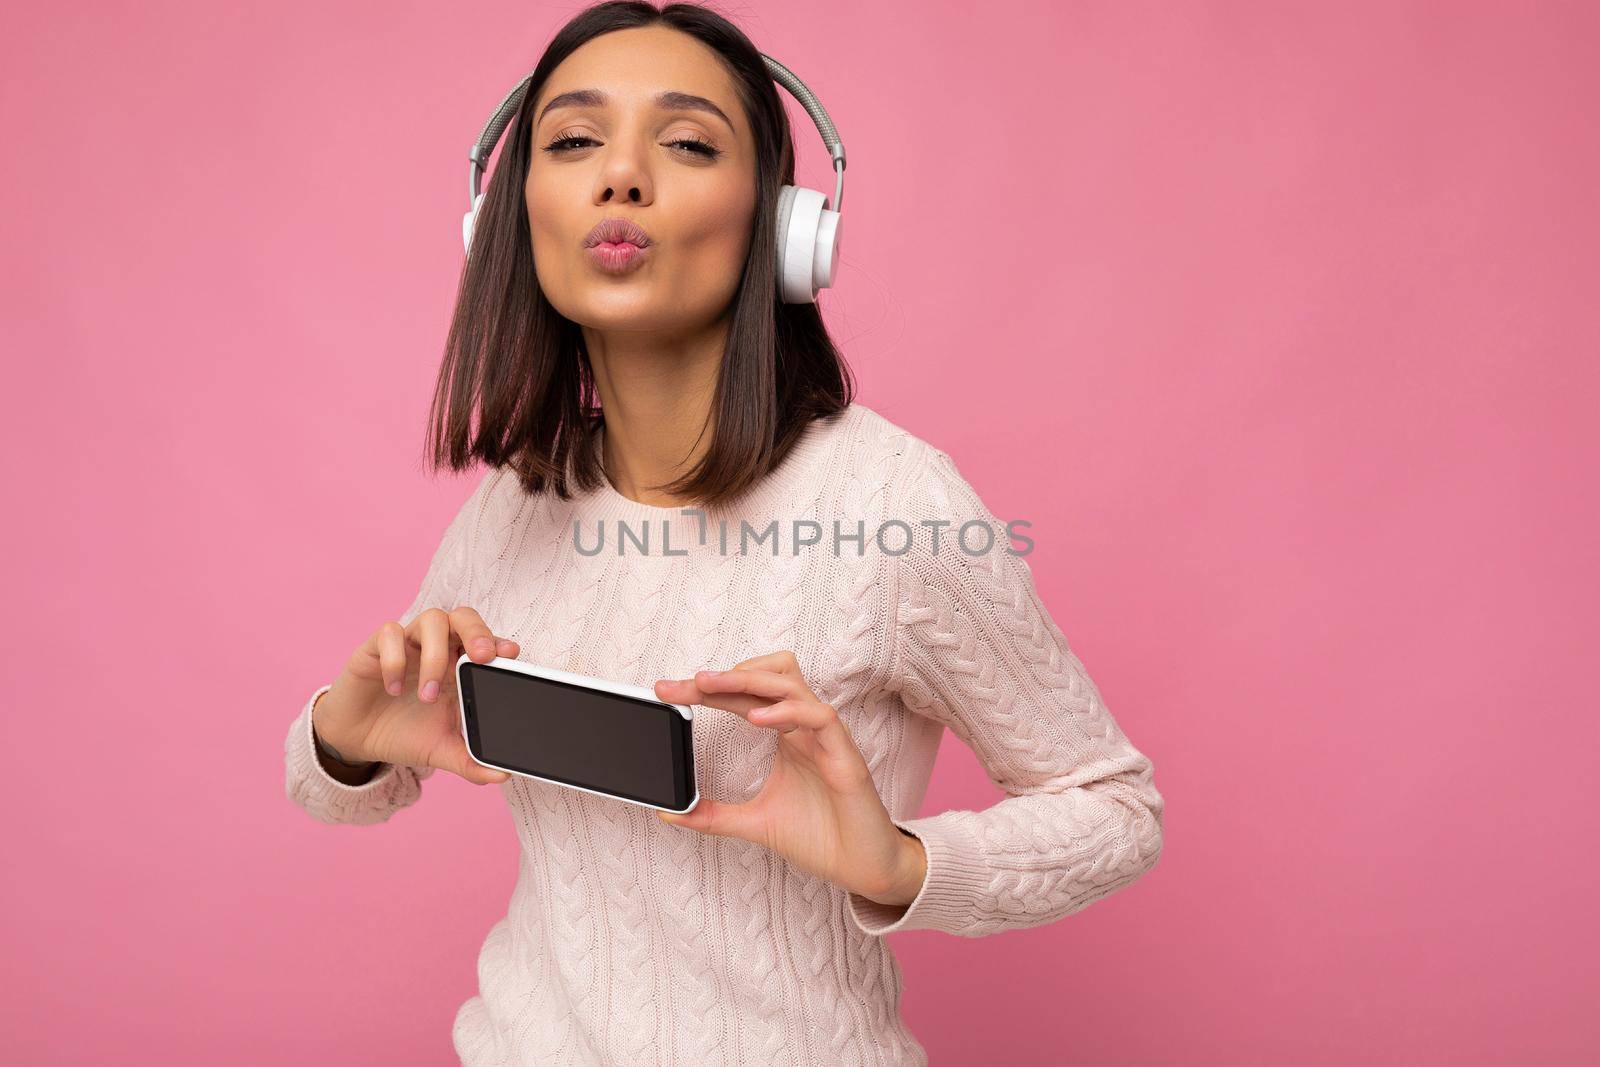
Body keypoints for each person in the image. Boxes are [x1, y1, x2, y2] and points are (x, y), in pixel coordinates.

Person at [284, 3, 1165, 1063]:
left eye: (688, 143)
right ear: (507, 222)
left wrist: (896, 864)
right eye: (572, 141)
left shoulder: (887, 500)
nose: (621, 176)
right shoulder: (518, 502)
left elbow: (1115, 807)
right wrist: (342, 738)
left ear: (784, 227)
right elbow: (336, 791)